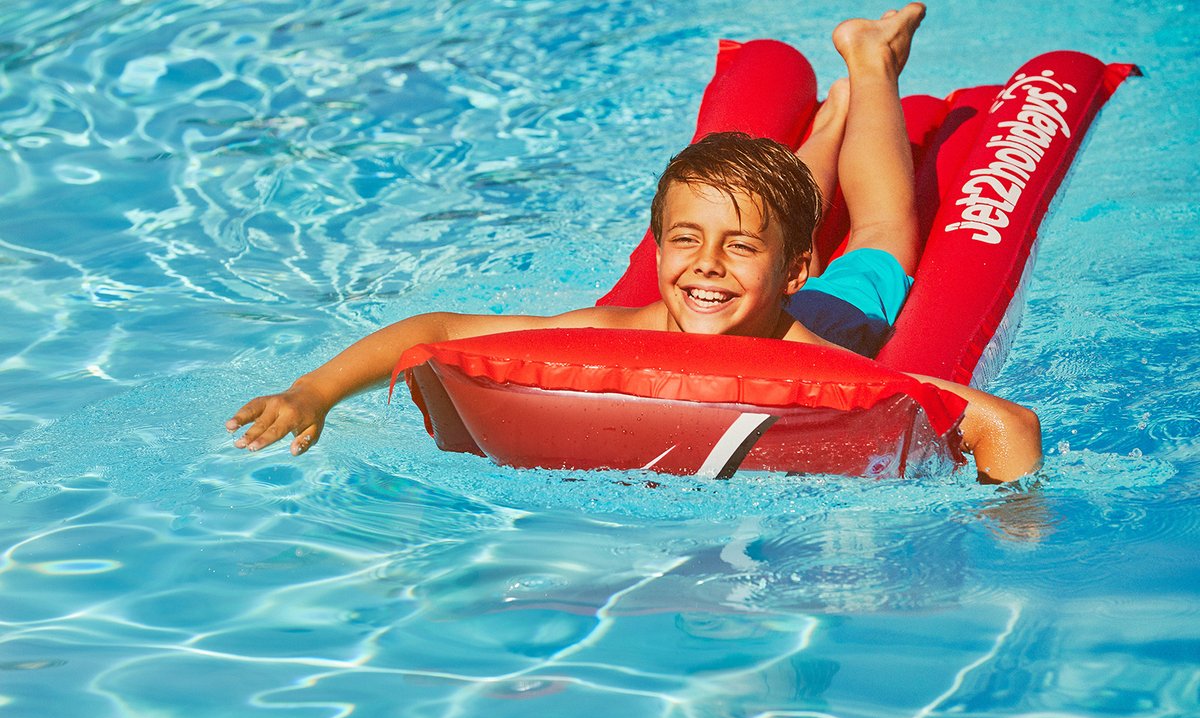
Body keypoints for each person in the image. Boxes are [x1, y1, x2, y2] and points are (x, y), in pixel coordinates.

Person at [226, 4, 1043, 483]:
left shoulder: (830, 355)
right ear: (656, 250)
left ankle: (871, 68)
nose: (707, 267)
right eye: (685, 241)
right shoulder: (618, 334)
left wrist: (1011, 516)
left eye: (735, 250)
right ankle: (825, 125)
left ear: (799, 271)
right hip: (779, 272)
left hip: (837, 308)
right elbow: (434, 331)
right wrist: (314, 392)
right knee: (767, 207)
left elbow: (1005, 423)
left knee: (884, 231)